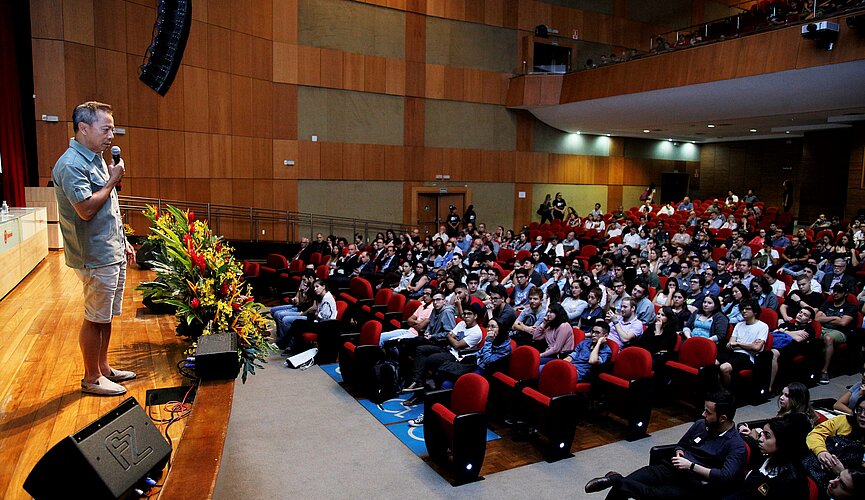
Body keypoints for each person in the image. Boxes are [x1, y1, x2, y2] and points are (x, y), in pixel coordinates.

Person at [53, 101, 136, 396]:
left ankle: (103, 368)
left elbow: (108, 208)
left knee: (106, 316)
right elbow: (86, 209)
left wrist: (123, 238)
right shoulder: (71, 164)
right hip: (93, 255)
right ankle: (90, 378)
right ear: (84, 129)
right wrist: (113, 180)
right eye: (106, 129)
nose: (111, 135)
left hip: (110, 250)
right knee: (94, 317)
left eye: (112, 129)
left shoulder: (96, 157)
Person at [585, 390, 747, 498]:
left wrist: (690, 466)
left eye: (708, 412)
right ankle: (617, 480)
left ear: (723, 418)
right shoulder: (700, 424)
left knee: (649, 493)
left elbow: (725, 476)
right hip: (671, 467)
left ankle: (615, 479)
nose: (703, 414)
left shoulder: (736, 445)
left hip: (693, 483)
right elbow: (681, 445)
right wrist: (679, 453)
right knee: (624, 486)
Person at [724, 414, 811, 499]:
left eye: (767, 436)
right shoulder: (762, 457)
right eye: (762, 433)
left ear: (782, 442)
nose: (761, 439)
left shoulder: (792, 481)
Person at [804, 394, 865, 491]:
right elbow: (816, 434)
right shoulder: (843, 421)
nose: (862, 415)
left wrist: (843, 473)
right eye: (859, 410)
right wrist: (821, 452)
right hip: (814, 463)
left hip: (841, 484)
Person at [718, 299, 769, 388]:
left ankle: (727, 392)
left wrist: (738, 344)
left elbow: (757, 348)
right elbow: (730, 344)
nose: (744, 311)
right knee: (713, 364)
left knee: (724, 368)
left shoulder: (763, 326)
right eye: (742, 309)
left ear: (755, 312)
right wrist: (749, 345)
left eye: (748, 309)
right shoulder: (738, 325)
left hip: (748, 357)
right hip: (733, 354)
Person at [768, 307, 816, 392]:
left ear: (809, 320)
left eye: (805, 315)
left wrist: (783, 331)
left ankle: (770, 386)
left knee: (773, 353)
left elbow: (798, 339)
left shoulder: (809, 329)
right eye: (800, 312)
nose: (801, 315)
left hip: (793, 350)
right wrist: (791, 333)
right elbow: (774, 332)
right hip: (778, 345)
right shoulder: (788, 324)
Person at [817, 283, 857, 384]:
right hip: (823, 328)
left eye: (839, 291)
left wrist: (824, 319)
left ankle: (824, 371)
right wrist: (834, 318)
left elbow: (843, 323)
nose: (835, 293)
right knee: (809, 334)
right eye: (834, 291)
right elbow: (817, 318)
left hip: (840, 332)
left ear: (845, 293)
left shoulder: (850, 307)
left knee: (828, 338)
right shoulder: (828, 303)